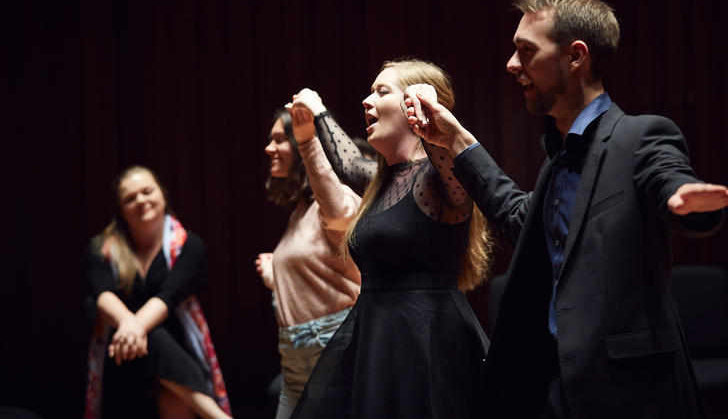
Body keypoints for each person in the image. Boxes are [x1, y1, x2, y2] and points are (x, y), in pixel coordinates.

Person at [404, 0, 728, 418]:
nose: (511, 64)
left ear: (576, 57)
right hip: (553, 391)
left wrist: (686, 201)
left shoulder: (641, 135)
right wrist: (454, 139)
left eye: (526, 51)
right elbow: (519, 220)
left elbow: (667, 177)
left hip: (630, 395)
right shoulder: (559, 159)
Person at [289, 59, 494, 418]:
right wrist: (316, 111)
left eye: (382, 92)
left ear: (414, 104)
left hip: (425, 339)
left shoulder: (441, 176)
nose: (367, 101)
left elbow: (453, 160)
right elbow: (349, 163)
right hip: (376, 336)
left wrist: (431, 113)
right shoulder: (383, 182)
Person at [84, 165, 232, 419]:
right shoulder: (102, 249)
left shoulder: (189, 246)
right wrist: (130, 326)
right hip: (122, 355)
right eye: (130, 198)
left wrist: (134, 328)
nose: (141, 200)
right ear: (120, 209)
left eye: (147, 191)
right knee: (143, 332)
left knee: (157, 341)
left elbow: (168, 296)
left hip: (176, 354)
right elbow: (103, 294)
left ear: (162, 194)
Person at [255, 107, 361, 419]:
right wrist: (276, 276)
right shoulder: (299, 212)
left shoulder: (333, 200)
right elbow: (319, 277)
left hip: (329, 341)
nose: (269, 148)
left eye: (279, 140)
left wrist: (307, 140)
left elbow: (341, 216)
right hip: (294, 351)